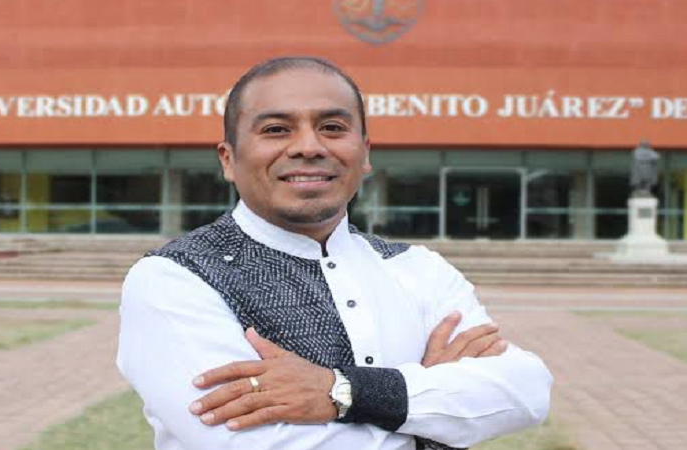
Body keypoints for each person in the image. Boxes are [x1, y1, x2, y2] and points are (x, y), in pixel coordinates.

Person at [117, 57, 553, 450]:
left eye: (332, 127)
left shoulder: (419, 268)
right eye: (276, 129)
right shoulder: (174, 278)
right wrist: (437, 422)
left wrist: (343, 392)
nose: (309, 147)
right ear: (228, 159)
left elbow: (526, 391)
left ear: (364, 153)